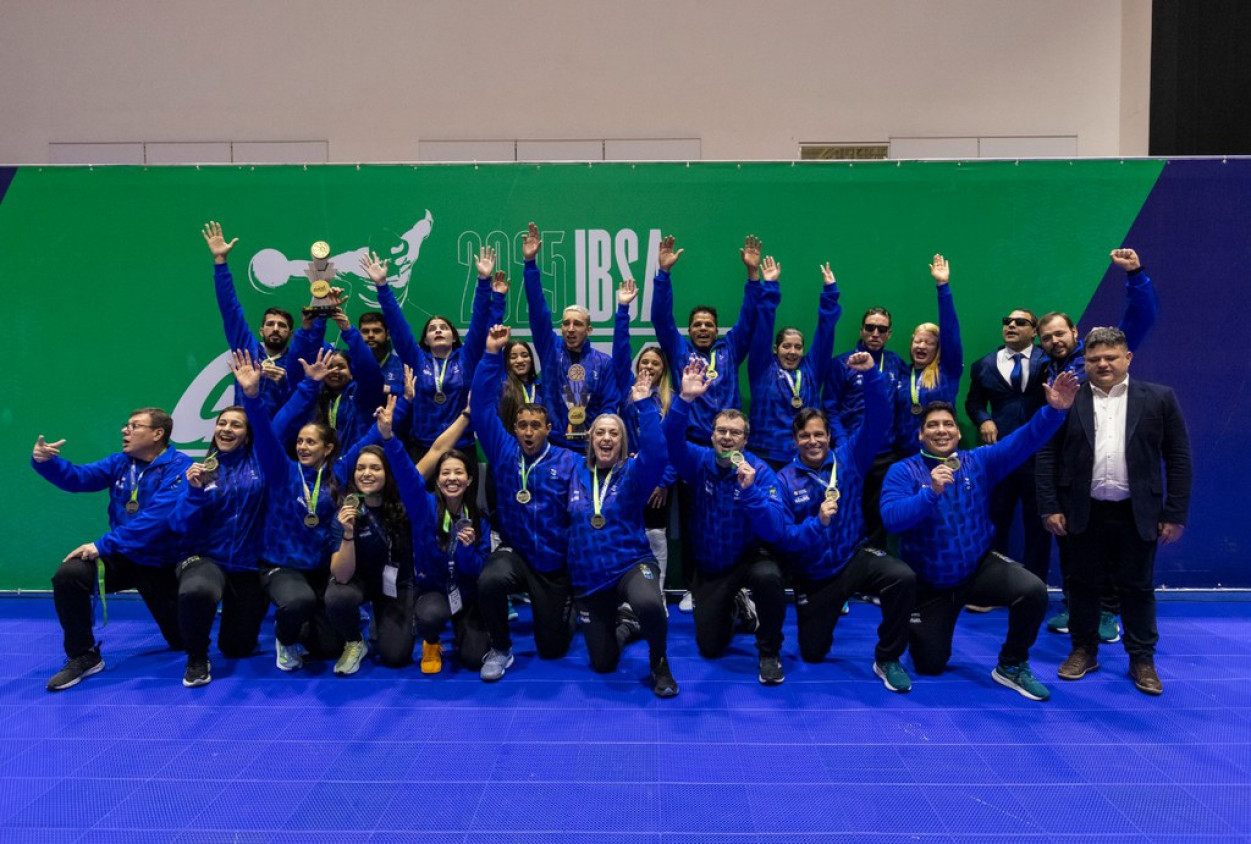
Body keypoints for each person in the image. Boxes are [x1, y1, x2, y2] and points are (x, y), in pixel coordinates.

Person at [880, 371, 1079, 702]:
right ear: (921, 434)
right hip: (930, 586)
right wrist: (930, 493)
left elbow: (1023, 440)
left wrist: (1054, 411)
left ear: (958, 432)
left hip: (976, 570)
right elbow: (892, 520)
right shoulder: (903, 471)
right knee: (930, 665)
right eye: (932, 425)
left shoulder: (978, 461)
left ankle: (1011, 664)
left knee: (1032, 590)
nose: (941, 430)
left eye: (948, 424)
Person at [1036, 327, 1190, 695]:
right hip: (1081, 511)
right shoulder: (1068, 399)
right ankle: (1083, 651)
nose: (1103, 364)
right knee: (1081, 585)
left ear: (1128, 358)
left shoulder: (1159, 398)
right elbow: (1046, 455)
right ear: (1084, 362)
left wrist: (1175, 513)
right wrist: (1050, 506)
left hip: (1138, 513)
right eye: (1094, 359)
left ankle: (1142, 659)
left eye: (1111, 357)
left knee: (1137, 588)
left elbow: (1178, 458)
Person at [773, 355, 918, 693]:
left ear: (828, 436)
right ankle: (826, 610)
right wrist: (817, 523)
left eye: (819, 434)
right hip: (815, 575)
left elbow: (877, 420)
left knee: (903, 577)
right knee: (813, 653)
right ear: (795, 440)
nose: (813, 441)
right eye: (805, 436)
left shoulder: (850, 457)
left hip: (854, 559)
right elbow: (786, 538)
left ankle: (888, 657)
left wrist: (870, 376)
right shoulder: (784, 480)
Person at [1036, 248, 1160, 639]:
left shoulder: (1093, 358)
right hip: (1070, 475)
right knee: (1074, 549)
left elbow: (1140, 319)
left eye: (1060, 333)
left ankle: (1108, 612)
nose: (1054, 340)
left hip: (1109, 471)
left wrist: (1136, 275)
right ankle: (1076, 606)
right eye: (1047, 337)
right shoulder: (1046, 369)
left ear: (1075, 332)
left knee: (1111, 552)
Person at [33, 408, 192, 691]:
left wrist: (101, 545)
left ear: (157, 434)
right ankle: (83, 655)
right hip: (123, 556)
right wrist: (46, 463)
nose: (124, 430)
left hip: (163, 562)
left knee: (182, 640)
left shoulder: (180, 467)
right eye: (126, 425)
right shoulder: (120, 463)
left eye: (134, 426)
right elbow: (79, 478)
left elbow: (157, 518)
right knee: (69, 574)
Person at [663, 360, 790, 684]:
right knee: (710, 647)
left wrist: (750, 494)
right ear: (712, 436)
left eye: (735, 433)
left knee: (769, 577)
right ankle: (739, 607)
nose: (728, 437)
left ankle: (769, 652)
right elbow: (670, 440)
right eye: (722, 431)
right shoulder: (698, 461)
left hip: (748, 557)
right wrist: (685, 400)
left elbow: (775, 529)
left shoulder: (760, 472)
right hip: (712, 566)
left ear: (745, 440)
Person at [471, 325, 582, 682]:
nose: (528, 431)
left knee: (552, 648)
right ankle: (500, 648)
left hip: (553, 562)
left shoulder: (569, 461)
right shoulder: (503, 450)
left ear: (549, 428)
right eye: (522, 425)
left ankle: (570, 604)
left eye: (535, 425)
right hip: (516, 554)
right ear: (514, 428)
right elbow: (481, 407)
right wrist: (491, 354)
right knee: (490, 580)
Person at [567, 367, 677, 696]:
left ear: (623, 441)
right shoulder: (571, 469)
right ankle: (627, 627)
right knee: (604, 663)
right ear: (590, 439)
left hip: (631, 563)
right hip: (590, 577)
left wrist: (643, 404)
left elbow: (658, 454)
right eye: (600, 432)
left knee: (650, 603)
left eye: (614, 433)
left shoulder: (633, 472)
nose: (606, 438)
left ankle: (659, 662)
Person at [235, 350, 343, 671]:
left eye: (311, 442)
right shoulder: (282, 471)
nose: (302, 446)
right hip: (281, 565)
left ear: (328, 448)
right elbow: (266, 435)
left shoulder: (336, 476)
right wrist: (252, 396)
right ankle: (285, 637)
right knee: (298, 601)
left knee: (328, 648)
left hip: (317, 569)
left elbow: (370, 439)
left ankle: (304, 623)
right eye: (299, 441)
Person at [362, 249, 502, 464]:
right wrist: (382, 286)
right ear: (425, 340)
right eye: (432, 329)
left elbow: (479, 320)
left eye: (444, 328)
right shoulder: (417, 360)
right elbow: (398, 327)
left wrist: (484, 282)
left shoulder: (467, 357)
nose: (438, 330)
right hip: (422, 447)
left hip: (461, 446)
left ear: (454, 337)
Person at [168, 405, 269, 688]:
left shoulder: (262, 465)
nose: (226, 429)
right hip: (206, 558)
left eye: (236, 425)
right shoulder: (198, 472)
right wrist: (194, 492)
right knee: (197, 591)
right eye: (222, 423)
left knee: (237, 647)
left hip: (248, 565)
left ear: (248, 435)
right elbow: (179, 525)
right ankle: (197, 657)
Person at [964, 307, 1050, 586]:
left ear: (1034, 331)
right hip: (1000, 456)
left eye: (1020, 322)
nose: (1011, 325)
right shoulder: (983, 365)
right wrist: (984, 419)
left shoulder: (1048, 361)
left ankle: (1035, 587)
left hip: (1039, 454)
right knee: (996, 519)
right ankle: (994, 586)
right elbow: (973, 403)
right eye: (1007, 321)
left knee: (1038, 524)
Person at [650, 234, 761, 441]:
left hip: (728, 437)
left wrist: (753, 274)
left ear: (716, 330)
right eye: (697, 325)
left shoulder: (731, 349)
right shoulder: (679, 349)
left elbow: (749, 318)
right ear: (689, 330)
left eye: (708, 325)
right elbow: (660, 318)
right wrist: (663, 273)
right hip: (690, 440)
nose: (703, 328)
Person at [521, 222, 619, 451]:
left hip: (591, 446)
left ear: (589, 329)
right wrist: (530, 263)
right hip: (554, 444)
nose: (571, 329)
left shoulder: (604, 363)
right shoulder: (550, 350)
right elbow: (538, 311)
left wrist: (601, 434)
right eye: (566, 323)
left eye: (578, 324)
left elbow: (609, 405)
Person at [823, 302, 908, 542]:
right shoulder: (842, 363)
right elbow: (829, 406)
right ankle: (848, 556)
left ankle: (876, 555)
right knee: (847, 509)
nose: (875, 333)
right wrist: (842, 442)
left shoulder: (896, 363)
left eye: (882, 329)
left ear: (889, 334)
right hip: (851, 451)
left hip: (885, 454)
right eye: (870, 328)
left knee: (879, 512)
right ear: (861, 330)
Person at [614, 278, 678, 590]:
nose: (649, 367)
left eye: (656, 363)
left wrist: (664, 481)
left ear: (663, 370)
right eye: (645, 362)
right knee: (626, 528)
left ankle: (658, 592)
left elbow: (676, 444)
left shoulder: (671, 400)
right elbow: (620, 352)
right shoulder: (627, 392)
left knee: (655, 534)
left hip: (658, 478)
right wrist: (622, 310)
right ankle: (628, 590)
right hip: (626, 473)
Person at [747, 257, 840, 468]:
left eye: (798, 347)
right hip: (764, 455)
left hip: (805, 456)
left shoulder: (812, 369)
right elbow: (763, 326)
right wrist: (770, 286)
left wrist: (830, 293)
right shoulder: (762, 368)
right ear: (775, 349)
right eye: (786, 346)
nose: (792, 352)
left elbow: (826, 331)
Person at [411, 446, 493, 675]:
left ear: (469, 479)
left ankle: (463, 631)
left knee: (475, 659)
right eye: (445, 473)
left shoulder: (479, 519)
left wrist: (466, 550)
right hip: (434, 591)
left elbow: (477, 570)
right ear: (437, 481)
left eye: (459, 472)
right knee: (430, 616)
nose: (452, 478)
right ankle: (431, 642)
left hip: (465, 594)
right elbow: (408, 478)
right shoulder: (424, 508)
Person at [203, 221, 295, 416]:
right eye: (270, 324)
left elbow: (302, 404)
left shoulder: (296, 362)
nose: (275, 329)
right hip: (243, 427)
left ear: (290, 334)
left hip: (279, 432)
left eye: (282, 326)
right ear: (261, 331)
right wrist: (220, 261)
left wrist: (284, 382)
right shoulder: (247, 350)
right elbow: (230, 310)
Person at [894, 255, 964, 457]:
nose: (922, 346)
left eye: (929, 342)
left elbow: (950, 332)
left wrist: (943, 287)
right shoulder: (902, 374)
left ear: (938, 348)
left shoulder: (947, 371)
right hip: (906, 456)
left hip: (941, 452)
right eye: (918, 341)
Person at [356, 311, 406, 399]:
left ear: (388, 334)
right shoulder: (350, 363)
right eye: (365, 331)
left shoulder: (402, 366)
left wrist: (389, 389)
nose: (370, 335)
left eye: (376, 331)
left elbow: (416, 393)